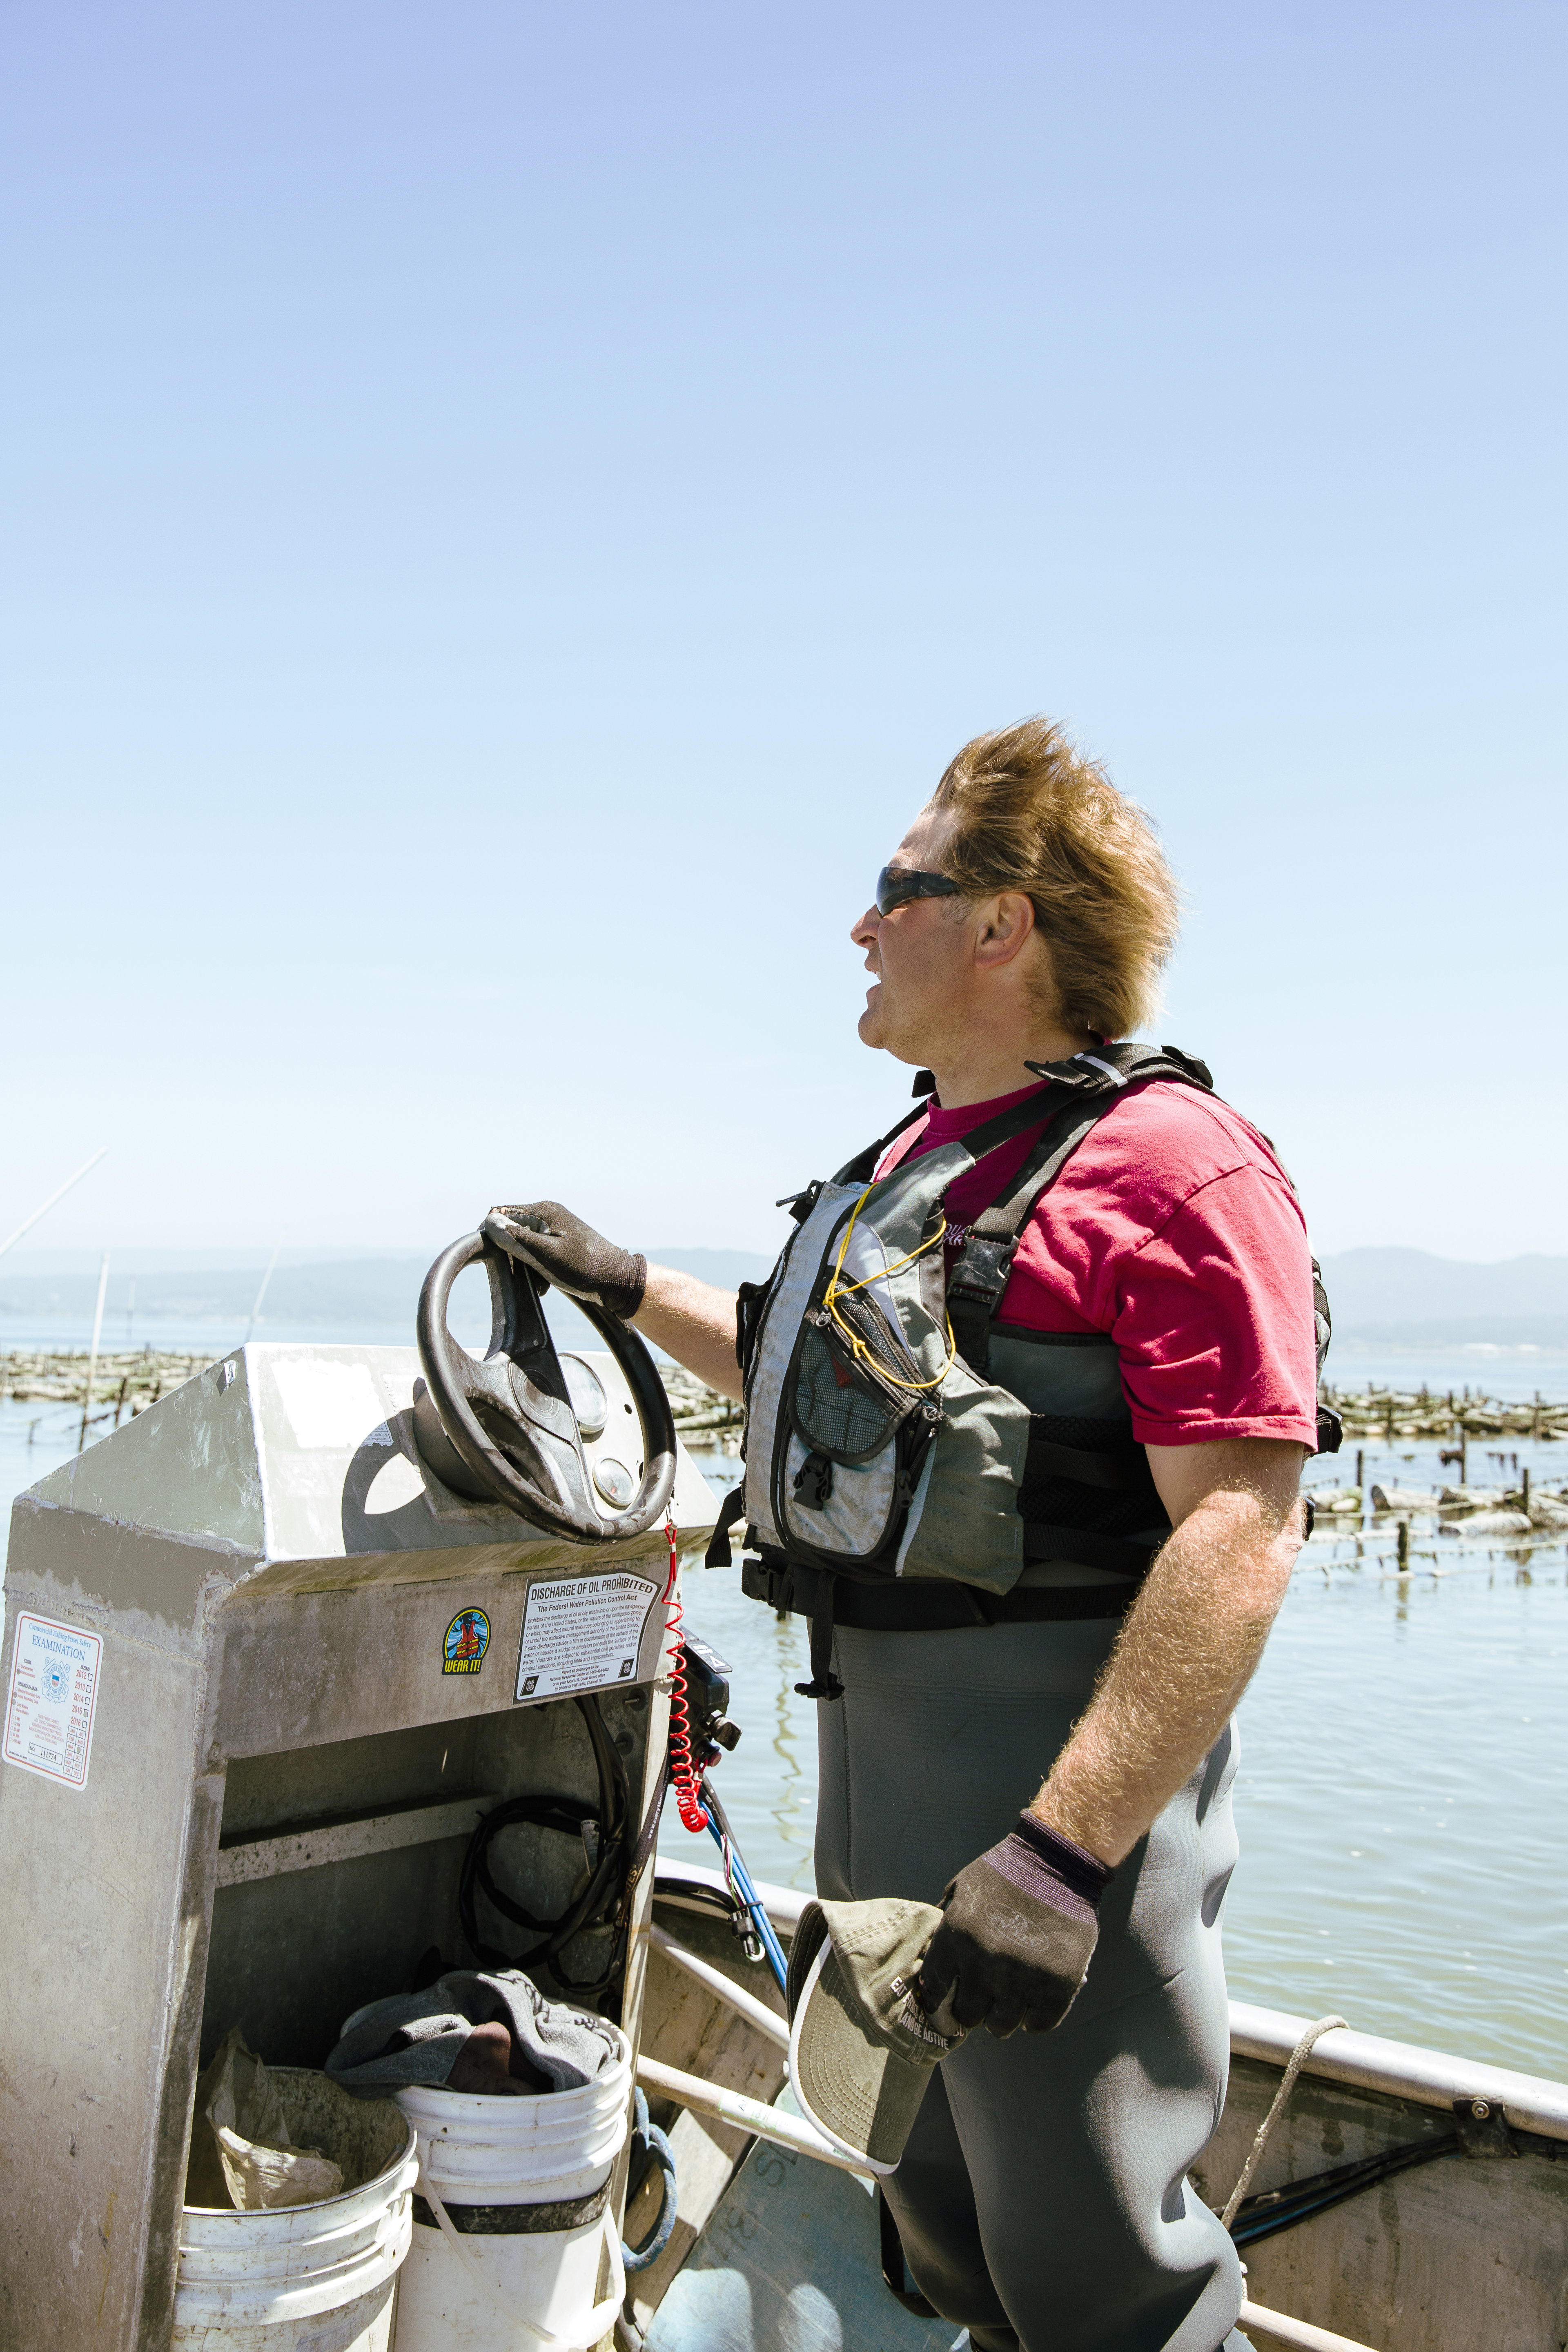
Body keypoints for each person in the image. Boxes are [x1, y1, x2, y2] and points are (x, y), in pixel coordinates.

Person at [497, 717, 1319, 2352]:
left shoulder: (1175, 1166)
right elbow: (850, 1396)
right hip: (876, 1813)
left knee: (1101, 2278)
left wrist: (1059, 1857)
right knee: (941, 2237)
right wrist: (626, 1286)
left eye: (897, 890)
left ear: (1005, 921)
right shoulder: (911, 1165)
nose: (859, 928)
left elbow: (1239, 1524)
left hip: (1054, 1823)